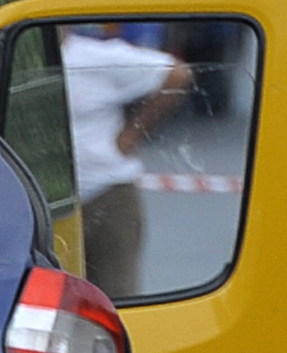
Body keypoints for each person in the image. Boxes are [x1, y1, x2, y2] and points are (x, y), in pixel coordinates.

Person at [60, 26, 193, 302]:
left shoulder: (97, 58)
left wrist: (133, 133)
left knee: (117, 299)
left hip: (105, 194)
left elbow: (176, 73)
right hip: (48, 204)